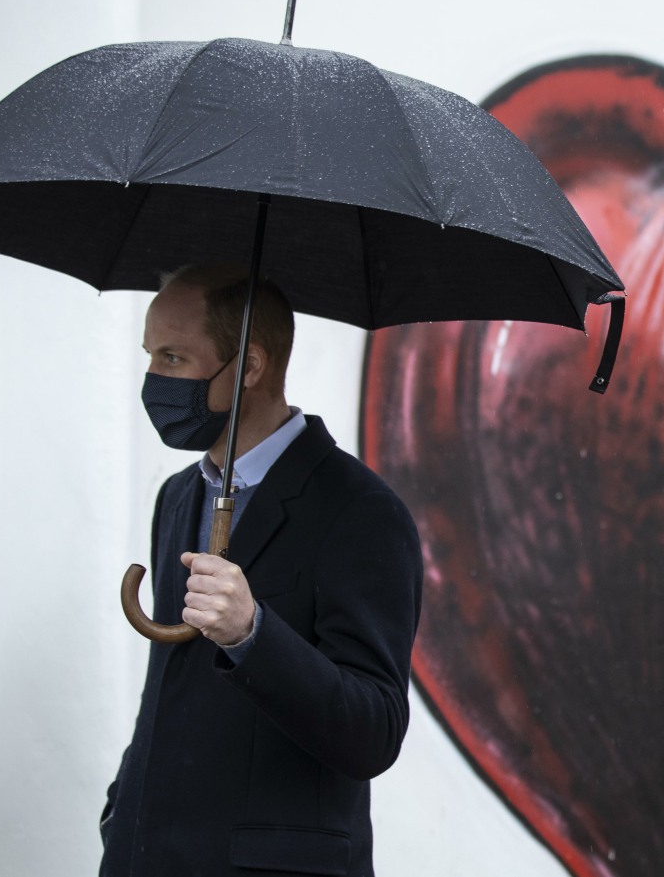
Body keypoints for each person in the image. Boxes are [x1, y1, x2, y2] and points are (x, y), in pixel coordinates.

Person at [100, 265, 424, 877]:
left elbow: (374, 731)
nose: (153, 380)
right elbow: (174, 693)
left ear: (249, 367)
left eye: (173, 357)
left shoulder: (362, 512)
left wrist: (253, 632)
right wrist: (123, 812)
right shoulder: (178, 496)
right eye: (150, 356)